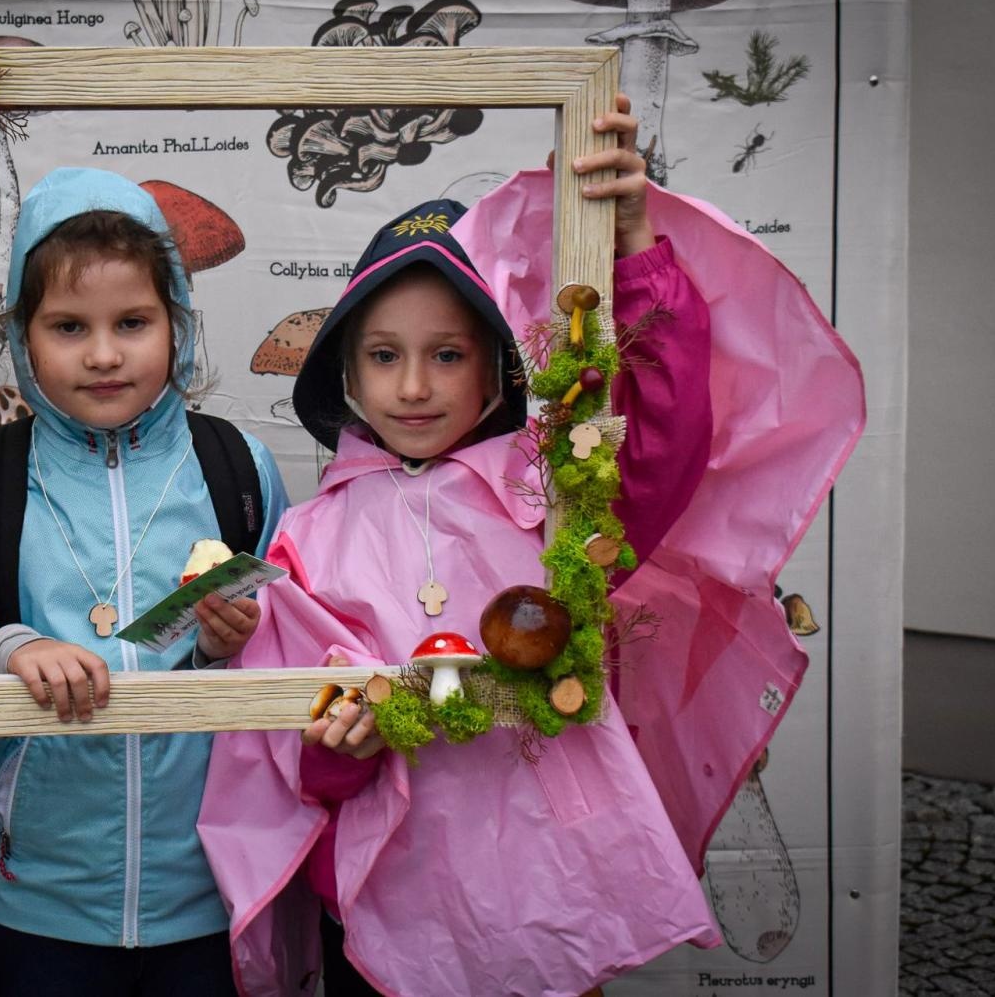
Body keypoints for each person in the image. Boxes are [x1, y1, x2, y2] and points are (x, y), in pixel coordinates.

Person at [197, 102, 864, 996]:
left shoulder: (549, 491)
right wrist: (340, 745)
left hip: (554, 893)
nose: (414, 386)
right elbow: (299, 756)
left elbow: (660, 444)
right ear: (346, 375)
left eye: (447, 354)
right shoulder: (307, 542)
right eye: (385, 355)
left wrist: (632, 254)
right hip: (391, 908)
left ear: (498, 368)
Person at [0, 167, 288, 997]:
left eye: (134, 322)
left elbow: (300, 676)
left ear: (176, 323)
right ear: (22, 338)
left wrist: (234, 653)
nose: (105, 354)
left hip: (213, 892)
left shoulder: (236, 467)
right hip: (35, 903)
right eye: (69, 325)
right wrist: (8, 653)